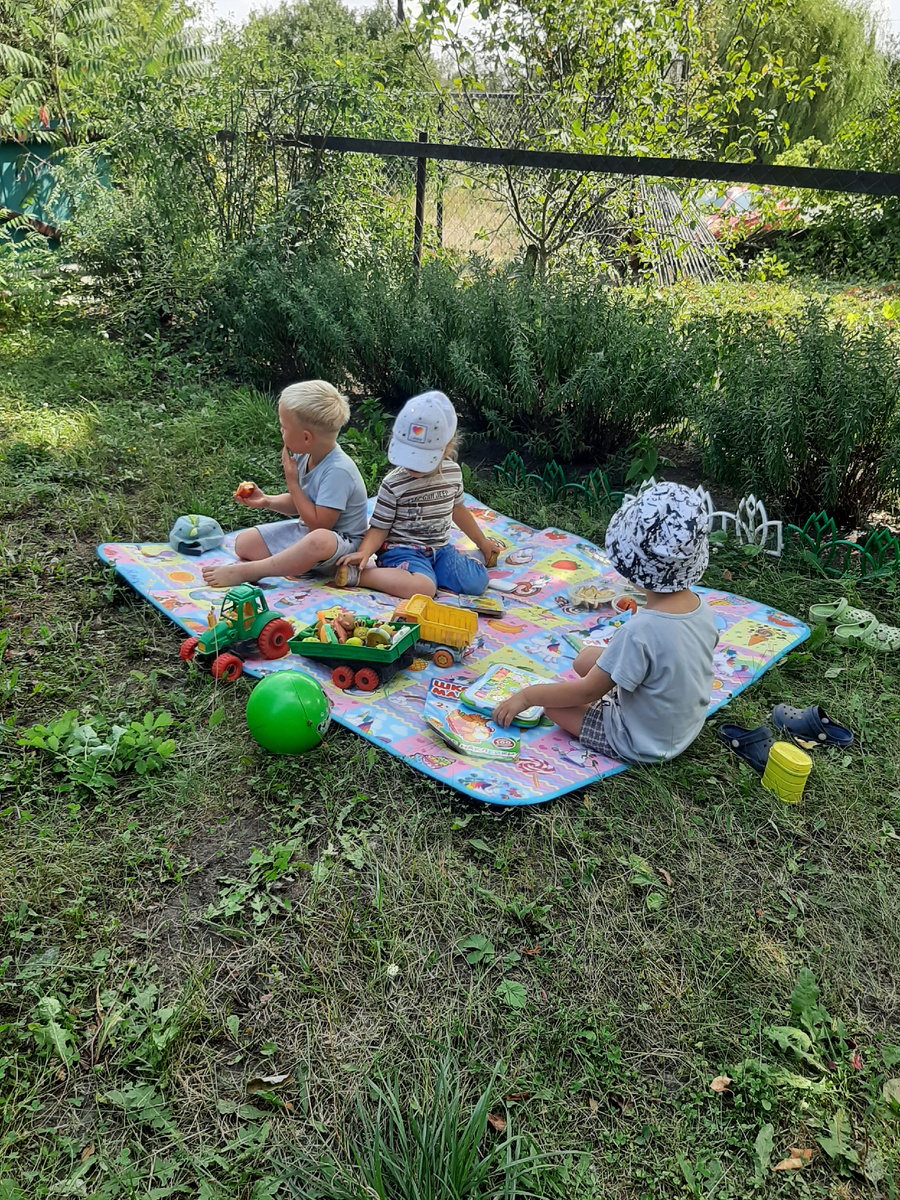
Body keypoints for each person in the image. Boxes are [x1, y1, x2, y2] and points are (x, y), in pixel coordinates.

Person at [492, 482, 718, 764]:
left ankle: (606, 716)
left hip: (641, 742)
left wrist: (528, 696)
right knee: (585, 658)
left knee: (554, 707)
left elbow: (586, 691)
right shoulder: (703, 610)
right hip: (681, 728)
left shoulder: (639, 632)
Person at [334, 391, 504, 599]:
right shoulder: (394, 484)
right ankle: (360, 576)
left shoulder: (452, 473)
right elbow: (379, 528)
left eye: (421, 458)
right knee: (425, 588)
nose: (412, 464)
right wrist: (364, 553)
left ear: (447, 449)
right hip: (401, 551)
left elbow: (458, 510)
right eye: (408, 455)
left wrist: (482, 542)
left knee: (477, 582)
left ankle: (435, 571)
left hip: (439, 550)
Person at [201, 380, 367, 588]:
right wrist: (267, 501)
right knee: (245, 543)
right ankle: (296, 562)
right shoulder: (306, 455)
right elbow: (302, 503)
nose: (281, 431)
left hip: (341, 549)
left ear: (306, 438)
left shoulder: (338, 471)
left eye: (284, 427)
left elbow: (319, 526)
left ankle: (251, 571)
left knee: (319, 540)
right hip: (308, 535)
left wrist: (293, 483)